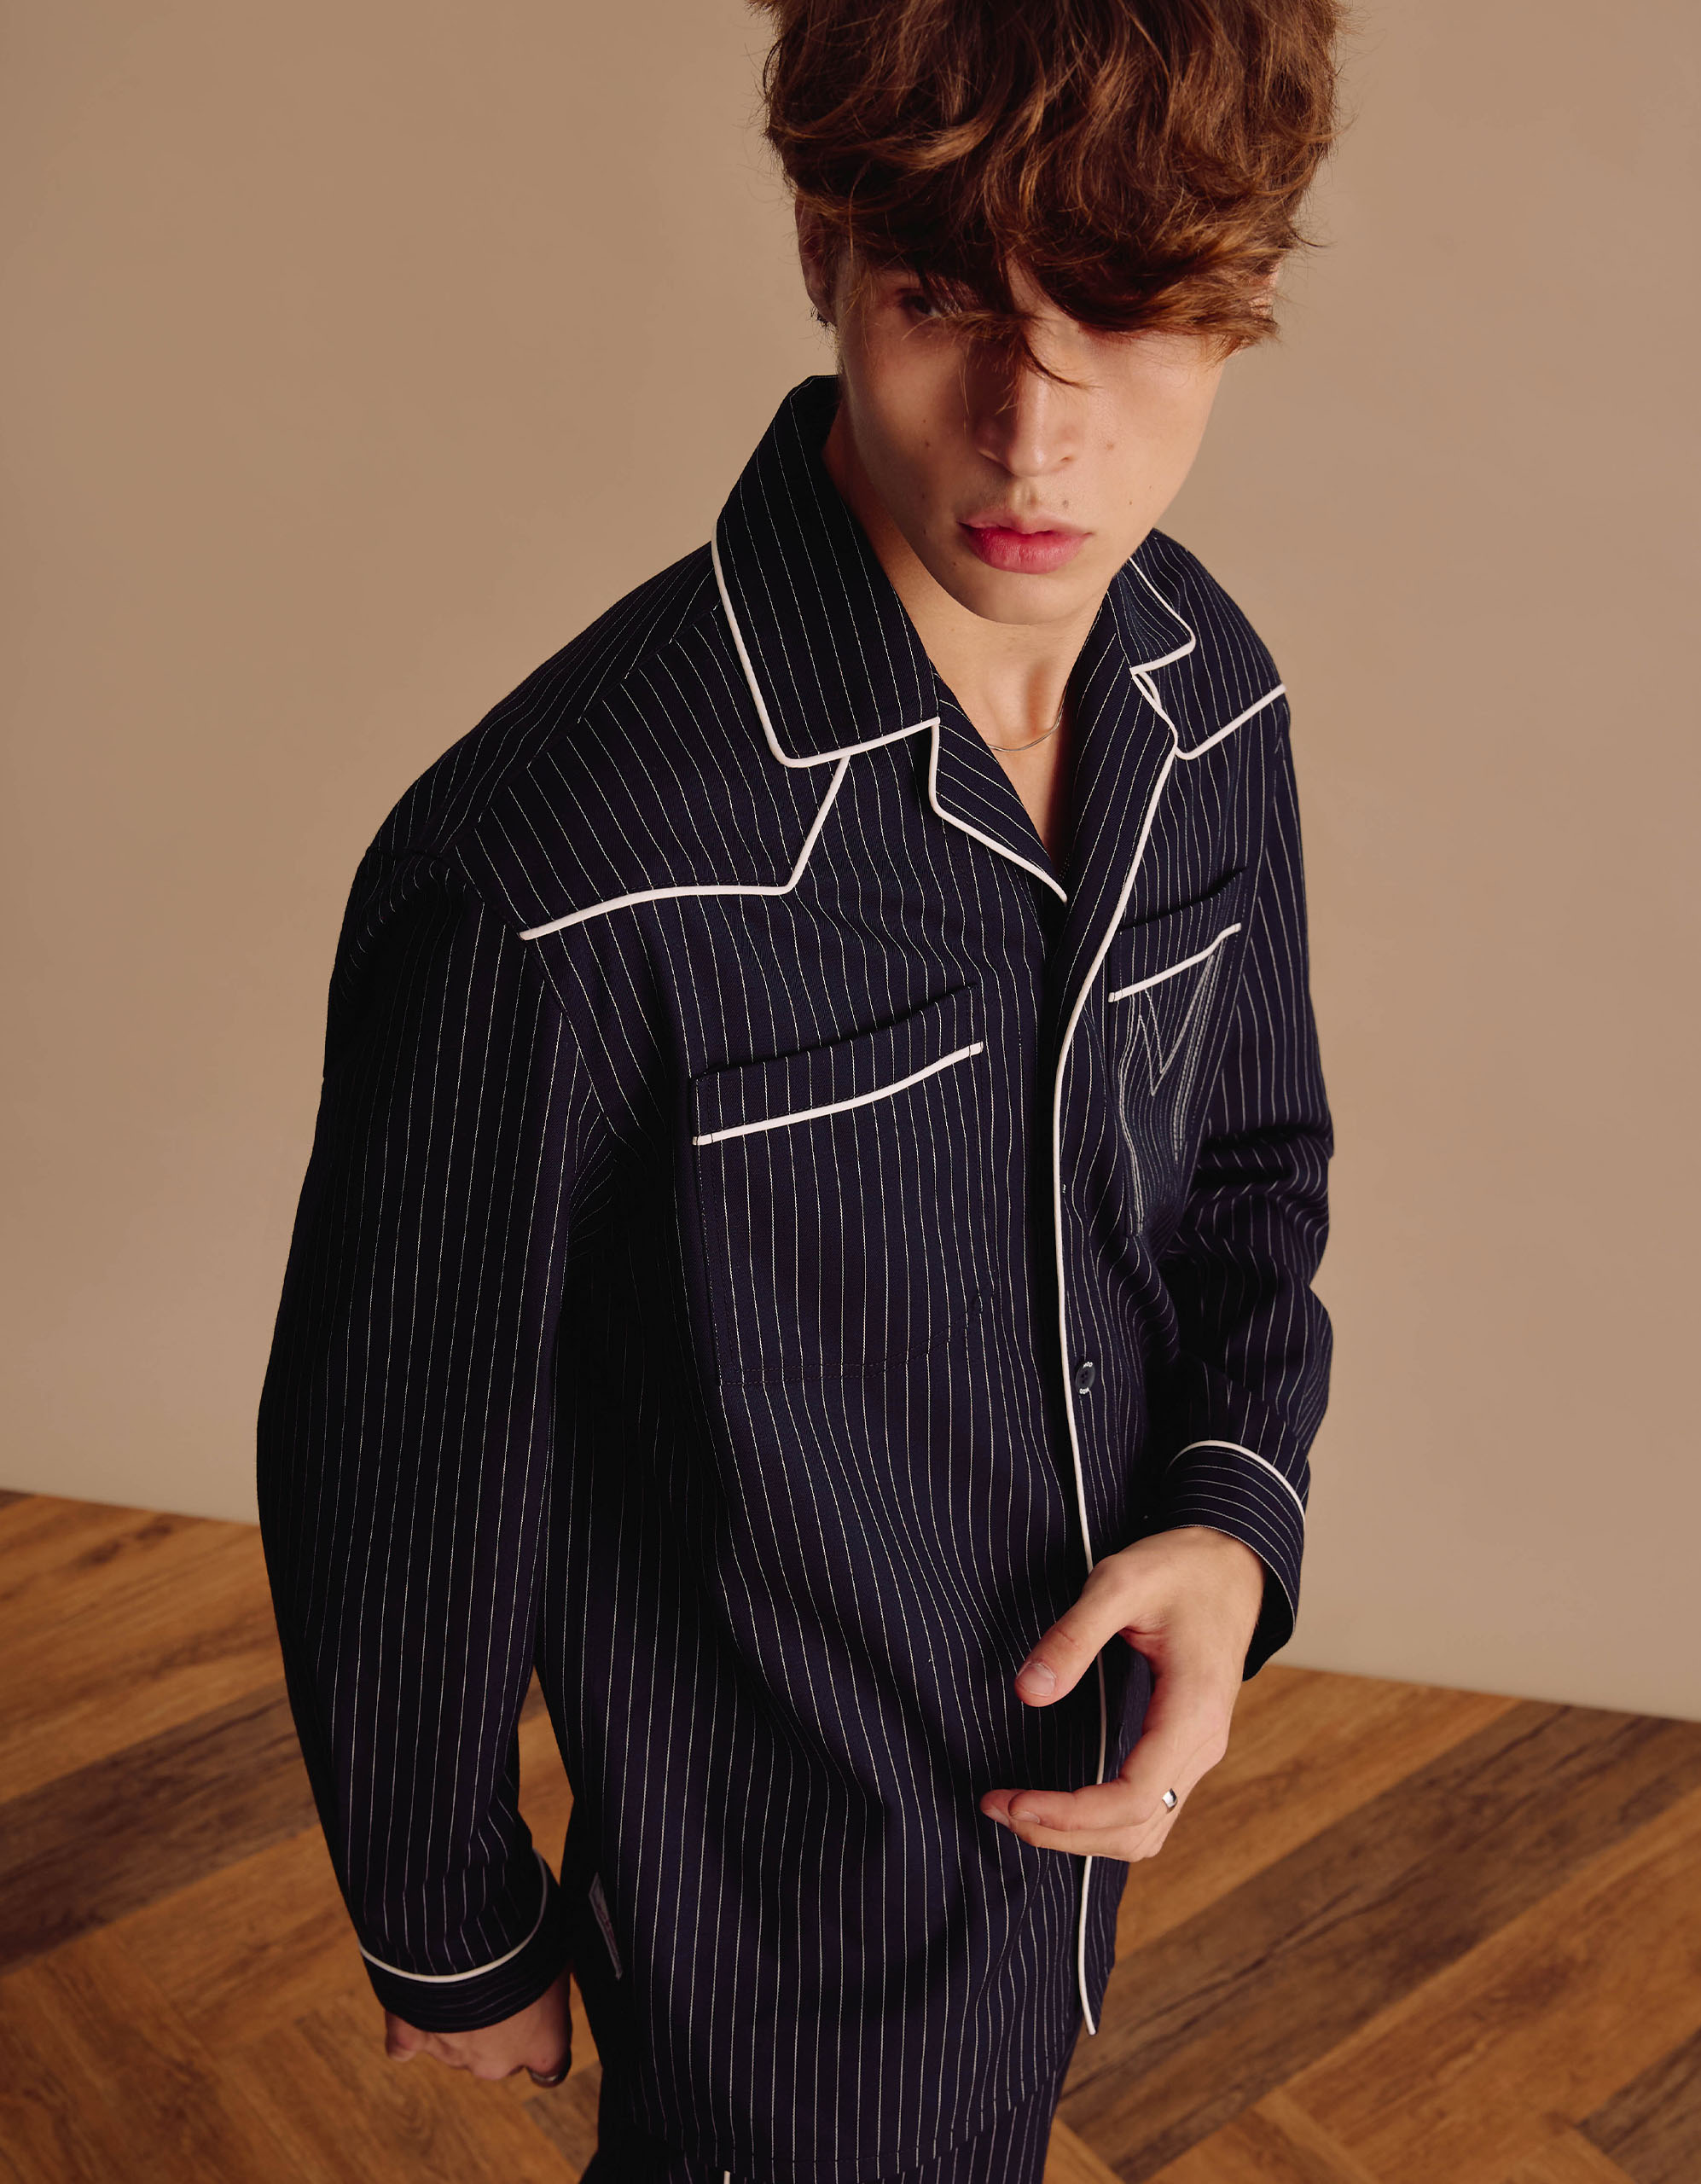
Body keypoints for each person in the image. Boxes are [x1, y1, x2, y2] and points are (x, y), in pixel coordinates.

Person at [255, 1, 1344, 2176]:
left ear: (1237, 300)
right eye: (948, 303)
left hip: (1074, 1828)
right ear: (824, 246)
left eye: (1127, 318)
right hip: (771, 1910)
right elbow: (400, 1464)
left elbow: (1250, 1167)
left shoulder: (1206, 693)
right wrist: (451, 1924)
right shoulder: (545, 873)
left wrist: (1233, 1521)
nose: (1032, 438)